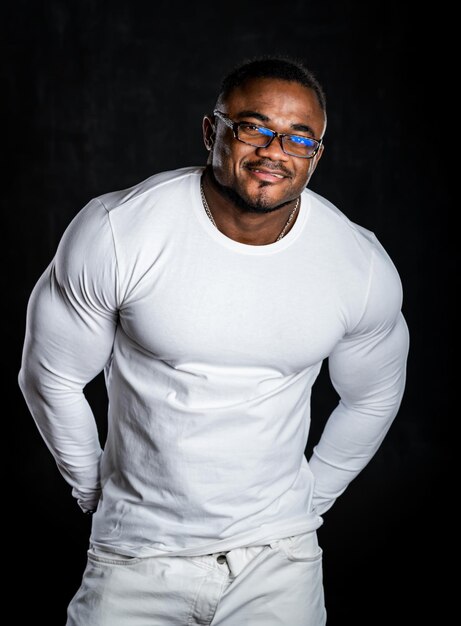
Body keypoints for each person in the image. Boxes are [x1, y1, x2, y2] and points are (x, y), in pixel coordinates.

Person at [18, 55, 410, 626]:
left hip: (280, 561)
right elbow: (49, 376)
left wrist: (307, 504)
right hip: (137, 555)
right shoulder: (118, 231)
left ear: (316, 155)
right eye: (255, 128)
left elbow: (373, 395)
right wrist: (91, 491)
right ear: (212, 131)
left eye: (300, 139)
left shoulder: (358, 262)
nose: (276, 151)